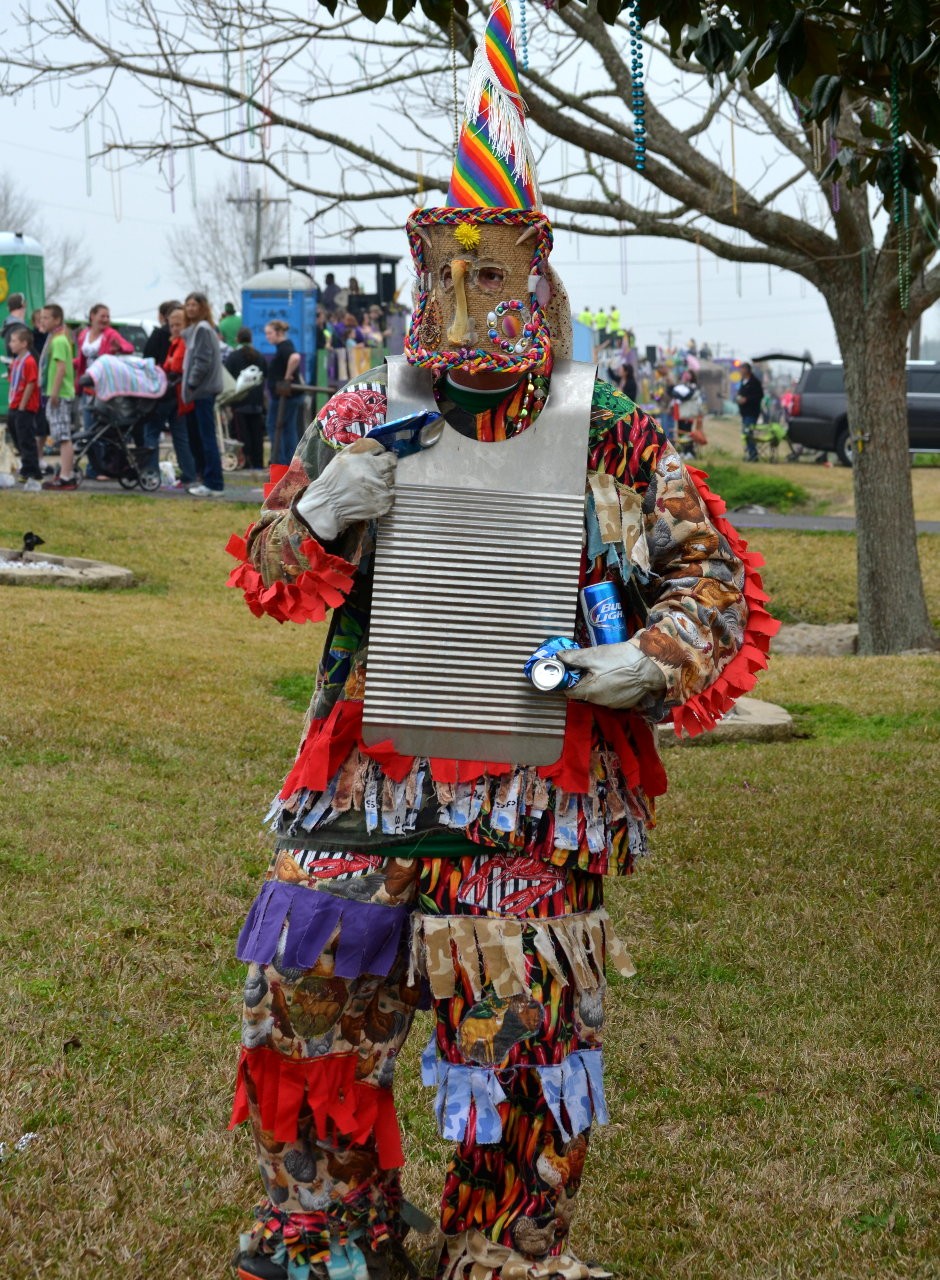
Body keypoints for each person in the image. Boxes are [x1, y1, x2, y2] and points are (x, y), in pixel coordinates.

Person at [224, 5, 775, 1278]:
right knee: (303, 986)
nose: (461, 303)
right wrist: (314, 510)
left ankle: (504, 1249)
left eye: (490, 272)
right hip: (365, 777)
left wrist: (651, 658)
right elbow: (270, 575)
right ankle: (330, 1227)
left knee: (519, 1018)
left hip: (536, 793)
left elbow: (712, 586)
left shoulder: (620, 434)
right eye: (441, 272)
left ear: (538, 268)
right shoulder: (366, 411)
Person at [141, 302, 197, 488]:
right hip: (178, 395)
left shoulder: (166, 338)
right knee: (180, 436)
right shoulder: (187, 339)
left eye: (177, 324)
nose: (174, 328)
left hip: (163, 392)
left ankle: (151, 473)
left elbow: (156, 363)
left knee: (151, 432)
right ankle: (189, 473)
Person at [181, 292, 225, 496]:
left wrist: (191, 383)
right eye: (187, 304)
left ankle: (213, 483)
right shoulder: (198, 329)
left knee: (207, 438)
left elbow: (202, 360)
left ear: (203, 307)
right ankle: (208, 480)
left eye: (194, 304)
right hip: (201, 391)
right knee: (202, 437)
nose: (190, 308)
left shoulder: (202, 329)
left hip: (203, 391)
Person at [40, 303, 78, 490]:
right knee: (60, 434)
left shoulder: (59, 341)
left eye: (46, 317)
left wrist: (54, 393)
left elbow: (61, 368)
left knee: (63, 436)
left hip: (60, 394)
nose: (42, 320)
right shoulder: (55, 339)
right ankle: (65, 473)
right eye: (42, 317)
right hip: (57, 393)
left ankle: (66, 475)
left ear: (57, 320)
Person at [225, 327, 267, 470]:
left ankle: (246, 462)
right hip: (257, 401)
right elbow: (264, 376)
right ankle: (258, 462)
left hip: (239, 401)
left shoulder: (233, 357)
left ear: (237, 339)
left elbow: (227, 378)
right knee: (257, 434)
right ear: (251, 339)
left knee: (242, 435)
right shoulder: (259, 356)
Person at [264, 318, 304, 466]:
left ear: (279, 333)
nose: (267, 336)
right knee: (288, 428)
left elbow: (295, 357)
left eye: (269, 333)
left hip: (285, 396)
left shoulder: (284, 346)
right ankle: (289, 461)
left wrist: (287, 376)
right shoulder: (284, 346)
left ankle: (280, 462)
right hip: (288, 396)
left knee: (275, 426)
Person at [7, 327, 43, 490]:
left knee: (26, 439)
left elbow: (31, 382)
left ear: (24, 343)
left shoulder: (29, 361)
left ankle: (33, 471)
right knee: (18, 438)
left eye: (14, 340)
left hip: (25, 407)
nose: (10, 344)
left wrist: (23, 404)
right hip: (14, 405)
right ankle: (26, 466)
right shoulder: (16, 361)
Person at [736, 362, 764, 462]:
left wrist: (747, 399)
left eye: (741, 369)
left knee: (748, 433)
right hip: (744, 412)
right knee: (746, 433)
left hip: (752, 412)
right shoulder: (743, 381)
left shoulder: (755, 382)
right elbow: (740, 393)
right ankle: (750, 453)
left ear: (747, 370)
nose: (740, 371)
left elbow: (759, 396)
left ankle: (753, 454)